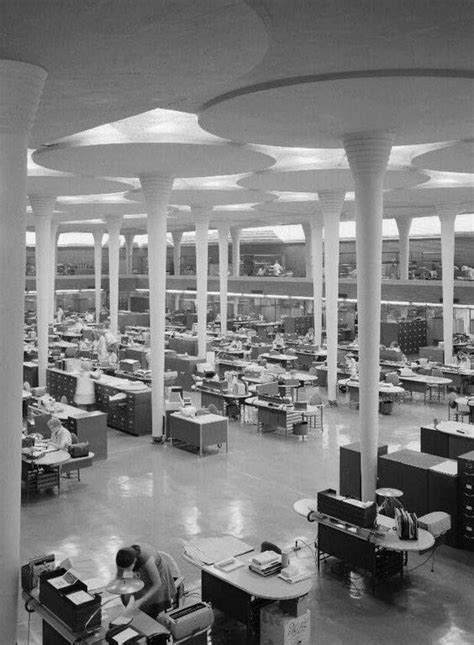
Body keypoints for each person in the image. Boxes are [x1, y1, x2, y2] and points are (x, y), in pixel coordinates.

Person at [115, 544, 177, 618]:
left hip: (158, 571)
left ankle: (152, 617)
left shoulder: (147, 560)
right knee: (135, 592)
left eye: (128, 568)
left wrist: (142, 600)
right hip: (139, 566)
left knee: (152, 600)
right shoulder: (122, 558)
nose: (127, 571)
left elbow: (157, 584)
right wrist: (121, 588)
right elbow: (119, 575)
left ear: (134, 561)